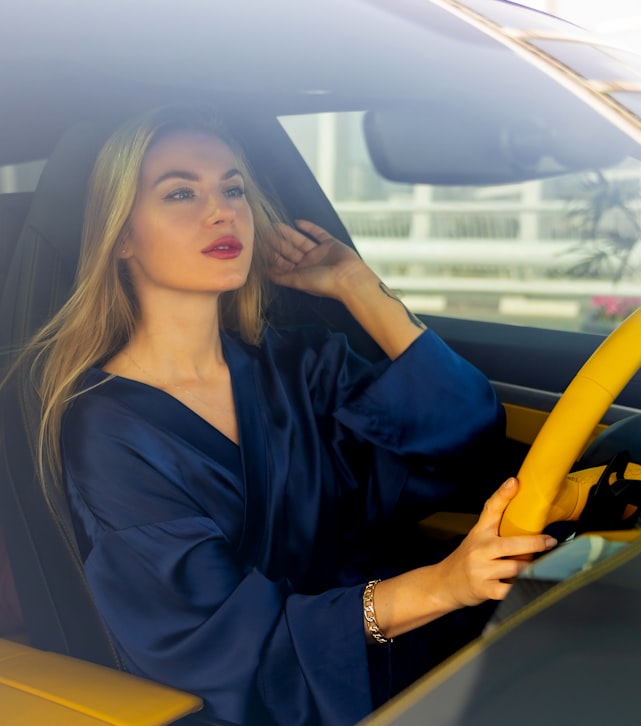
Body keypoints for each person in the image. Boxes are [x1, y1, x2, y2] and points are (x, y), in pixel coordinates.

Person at [23, 106, 556, 725]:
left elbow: (467, 438)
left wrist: (355, 284)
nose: (222, 211)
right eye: (180, 193)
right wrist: (440, 587)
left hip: (409, 648)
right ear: (121, 238)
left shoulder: (296, 361)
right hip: (288, 699)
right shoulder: (107, 432)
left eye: (233, 188)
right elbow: (214, 642)